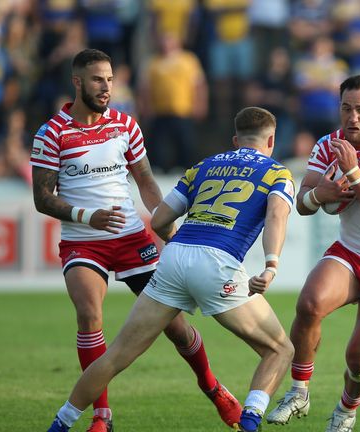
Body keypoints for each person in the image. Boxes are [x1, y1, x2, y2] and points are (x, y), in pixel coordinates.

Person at [45, 106, 296, 432]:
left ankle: (60, 423)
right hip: (218, 262)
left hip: (174, 257)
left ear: (236, 140)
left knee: (116, 355)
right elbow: (276, 216)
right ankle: (249, 421)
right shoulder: (277, 173)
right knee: (279, 348)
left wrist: (181, 248)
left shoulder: (203, 166)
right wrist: (271, 265)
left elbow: (161, 219)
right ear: (271, 140)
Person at [31, 49, 240, 432]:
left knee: (174, 326)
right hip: (83, 240)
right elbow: (42, 198)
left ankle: (212, 388)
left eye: (110, 79)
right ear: (77, 83)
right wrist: (86, 216)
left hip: (130, 237)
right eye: (98, 79)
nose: (106, 87)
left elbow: (145, 182)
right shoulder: (52, 133)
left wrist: (168, 228)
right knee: (89, 315)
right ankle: (102, 415)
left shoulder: (126, 125)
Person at [266, 75, 360, 432]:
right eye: (346, 109)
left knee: (359, 359)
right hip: (352, 251)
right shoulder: (327, 144)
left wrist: (352, 172)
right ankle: (299, 391)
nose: (353, 117)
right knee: (308, 304)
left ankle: (346, 411)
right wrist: (322, 194)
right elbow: (304, 203)